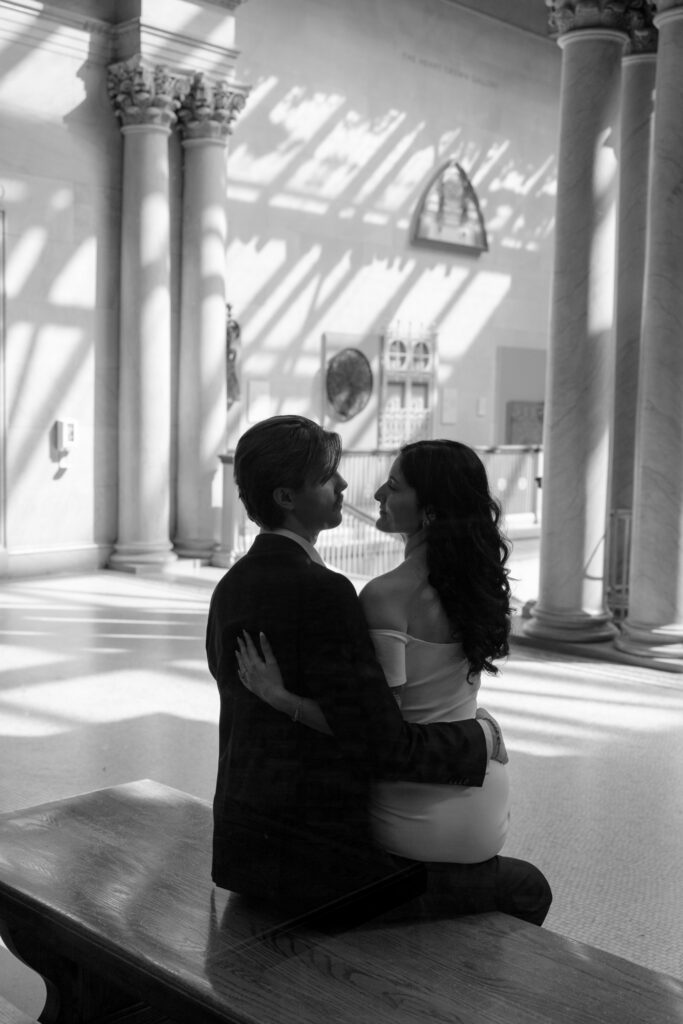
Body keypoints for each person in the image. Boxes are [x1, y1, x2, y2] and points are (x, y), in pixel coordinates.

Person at [207, 415, 551, 928]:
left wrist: (279, 698)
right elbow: (379, 740)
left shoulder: (229, 587)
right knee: (526, 889)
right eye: (328, 476)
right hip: (313, 859)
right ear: (285, 496)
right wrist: (482, 736)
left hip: (243, 840)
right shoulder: (327, 593)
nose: (349, 485)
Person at [239, 438, 510, 865]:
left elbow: (376, 734)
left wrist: (281, 699)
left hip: (418, 813)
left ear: (429, 510)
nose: (378, 494)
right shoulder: (474, 585)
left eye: (394, 486)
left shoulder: (386, 596)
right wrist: (483, 731)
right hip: (488, 803)